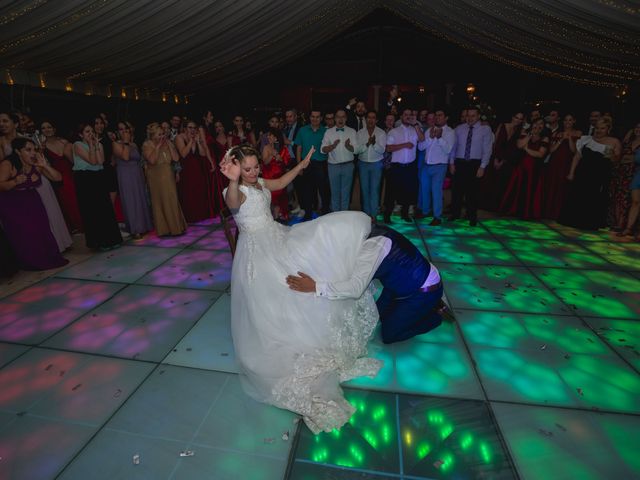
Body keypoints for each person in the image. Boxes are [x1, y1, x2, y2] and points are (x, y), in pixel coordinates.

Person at [220, 144, 381, 434]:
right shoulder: (237, 190)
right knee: (271, 297)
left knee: (319, 240)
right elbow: (233, 203)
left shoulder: (257, 183)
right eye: (248, 169)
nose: (254, 172)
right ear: (235, 168)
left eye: (256, 167)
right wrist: (233, 180)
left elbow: (280, 183)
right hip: (257, 252)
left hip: (276, 236)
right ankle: (280, 339)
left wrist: (302, 165)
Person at [287, 223, 446, 344]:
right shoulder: (364, 228)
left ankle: (436, 314)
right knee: (374, 316)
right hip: (399, 283)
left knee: (389, 334)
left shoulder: (371, 248)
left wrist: (315, 287)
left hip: (423, 289)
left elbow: (356, 288)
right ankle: (419, 308)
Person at [0, 138, 68, 270]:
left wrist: (45, 166)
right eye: (28, 150)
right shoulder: (8, 164)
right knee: (25, 232)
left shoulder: (37, 164)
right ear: (18, 152)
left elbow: (58, 178)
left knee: (42, 227)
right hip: (12, 203)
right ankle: (31, 262)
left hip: (32, 198)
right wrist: (14, 182)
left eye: (34, 149)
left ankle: (47, 257)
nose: (33, 153)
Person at [560, 118, 621, 230]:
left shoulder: (613, 141)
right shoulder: (586, 139)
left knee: (594, 199)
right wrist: (571, 172)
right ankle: (573, 220)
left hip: (599, 176)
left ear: (608, 129)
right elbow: (577, 157)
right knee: (578, 196)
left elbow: (614, 161)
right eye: (597, 128)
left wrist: (612, 155)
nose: (599, 130)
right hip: (583, 174)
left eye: (602, 128)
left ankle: (589, 222)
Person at [72, 122, 122, 250]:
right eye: (87, 132)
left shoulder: (98, 143)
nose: (91, 134)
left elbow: (100, 161)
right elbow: (92, 161)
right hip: (85, 178)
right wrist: (91, 146)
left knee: (104, 208)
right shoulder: (77, 145)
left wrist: (95, 145)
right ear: (80, 135)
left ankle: (111, 239)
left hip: (98, 177)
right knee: (92, 210)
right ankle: (98, 242)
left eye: (91, 131)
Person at [449, 106, 493, 226]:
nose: (470, 118)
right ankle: (455, 214)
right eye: (468, 115)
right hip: (460, 162)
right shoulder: (459, 129)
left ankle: (472, 216)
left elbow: (487, 150)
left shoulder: (485, 129)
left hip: (474, 163)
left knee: (472, 192)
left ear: (478, 116)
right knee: (457, 191)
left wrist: (482, 166)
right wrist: (451, 162)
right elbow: (453, 147)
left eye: (473, 115)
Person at [142, 123, 187, 236]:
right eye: (159, 134)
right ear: (152, 136)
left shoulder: (168, 143)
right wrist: (157, 147)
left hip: (168, 175)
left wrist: (169, 145)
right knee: (159, 202)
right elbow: (152, 160)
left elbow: (176, 158)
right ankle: (164, 230)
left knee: (171, 199)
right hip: (155, 177)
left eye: (163, 134)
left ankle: (176, 228)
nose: (162, 136)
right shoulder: (147, 144)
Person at [500, 118, 549, 220]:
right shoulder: (524, 133)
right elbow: (519, 145)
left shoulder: (545, 138)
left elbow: (540, 154)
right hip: (522, 167)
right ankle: (514, 209)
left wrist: (526, 149)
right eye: (536, 123)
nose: (538, 126)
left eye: (541, 124)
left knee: (531, 188)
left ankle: (528, 212)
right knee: (517, 187)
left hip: (534, 168)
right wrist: (530, 135)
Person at [113, 121, 153, 239]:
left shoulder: (134, 144)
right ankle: (135, 229)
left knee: (140, 199)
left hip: (137, 175)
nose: (124, 132)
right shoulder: (116, 144)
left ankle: (144, 225)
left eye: (126, 129)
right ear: (117, 132)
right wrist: (125, 142)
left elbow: (139, 161)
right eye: (121, 129)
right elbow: (125, 157)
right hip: (125, 175)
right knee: (130, 200)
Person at [42, 120, 83, 233]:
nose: (47, 130)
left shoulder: (64, 141)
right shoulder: (42, 147)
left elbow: (75, 160)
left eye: (49, 127)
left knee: (78, 197)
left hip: (71, 172)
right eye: (44, 128)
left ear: (54, 128)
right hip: (58, 176)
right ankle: (75, 225)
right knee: (67, 201)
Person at [418, 109, 455, 226]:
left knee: (436, 192)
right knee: (424, 190)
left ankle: (437, 216)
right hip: (426, 165)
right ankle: (425, 211)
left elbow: (448, 149)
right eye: (436, 116)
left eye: (440, 115)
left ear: (446, 117)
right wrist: (431, 138)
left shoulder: (449, 132)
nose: (437, 118)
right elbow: (420, 147)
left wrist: (439, 138)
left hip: (439, 166)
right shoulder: (429, 130)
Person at [176, 120, 215, 223]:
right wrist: (190, 142)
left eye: (194, 128)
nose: (192, 130)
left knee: (199, 190)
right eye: (190, 127)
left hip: (197, 168)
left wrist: (197, 142)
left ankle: (199, 215)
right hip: (186, 169)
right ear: (185, 128)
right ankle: (189, 217)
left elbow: (202, 154)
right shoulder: (179, 137)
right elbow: (183, 154)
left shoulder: (196, 138)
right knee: (188, 192)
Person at [543, 114, 581, 219]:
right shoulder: (557, 133)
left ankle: (559, 213)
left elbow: (574, 151)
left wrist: (569, 138)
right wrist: (560, 140)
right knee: (552, 186)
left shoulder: (578, 133)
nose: (567, 122)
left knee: (563, 187)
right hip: (555, 163)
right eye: (565, 120)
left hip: (567, 164)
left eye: (570, 120)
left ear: (574, 121)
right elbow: (551, 150)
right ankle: (548, 212)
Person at [261, 128, 291, 221]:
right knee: (272, 198)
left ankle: (280, 216)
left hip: (280, 176)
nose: (269, 136)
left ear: (276, 138)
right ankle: (275, 217)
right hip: (269, 176)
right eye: (268, 135)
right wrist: (272, 155)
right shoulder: (266, 147)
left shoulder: (283, 148)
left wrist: (281, 159)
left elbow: (286, 162)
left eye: (271, 135)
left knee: (281, 197)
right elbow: (265, 162)